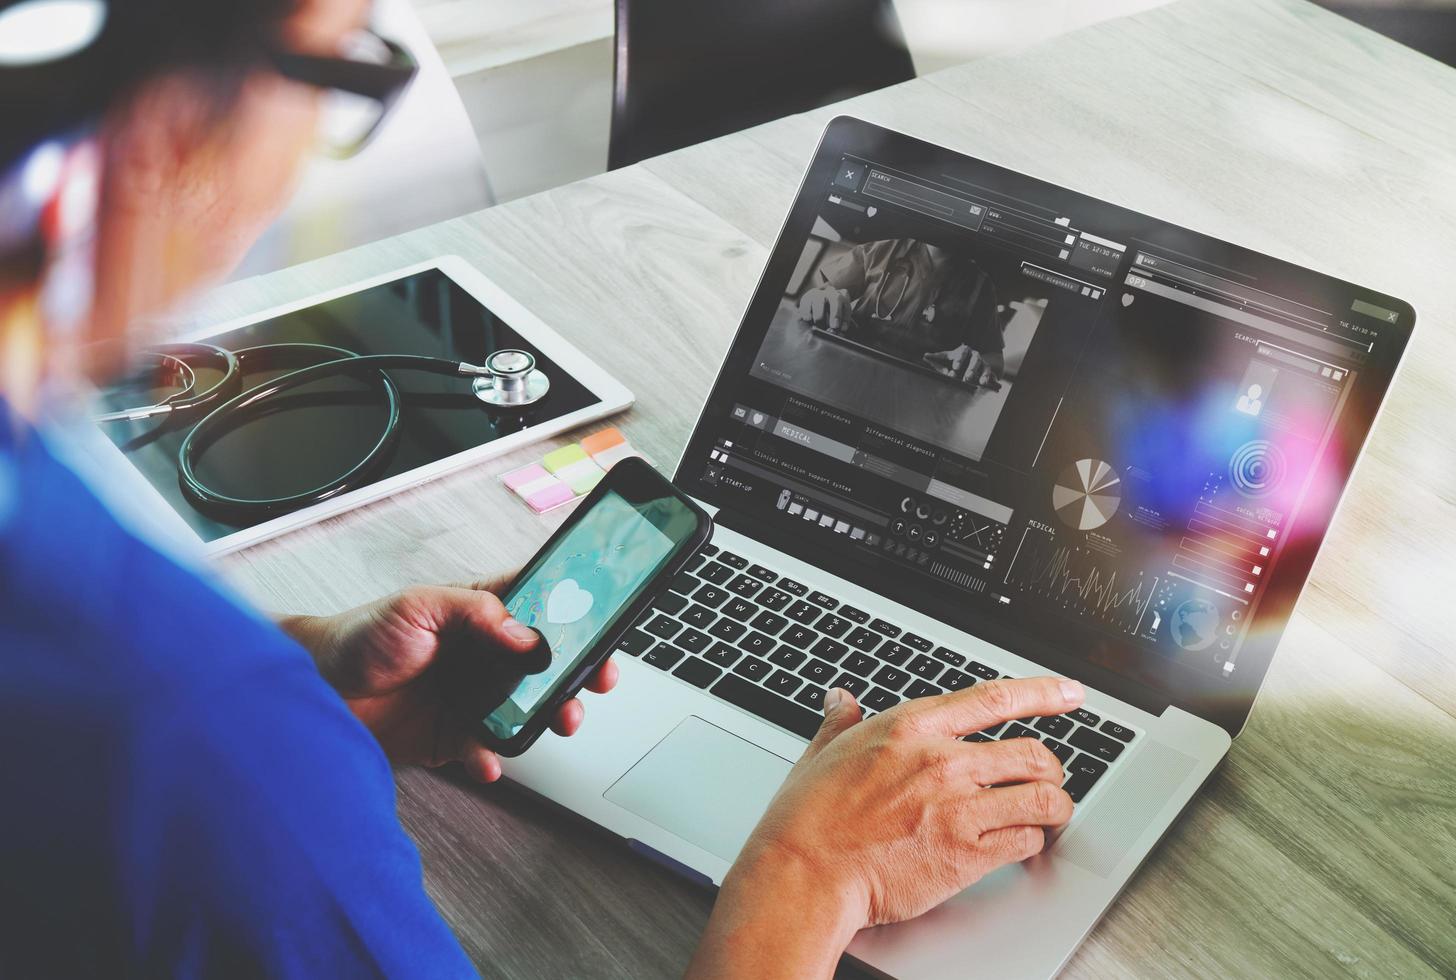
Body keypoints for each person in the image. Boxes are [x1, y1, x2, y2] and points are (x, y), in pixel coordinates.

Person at [0, 2, 1079, 976]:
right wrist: (807, 874)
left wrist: (316, 675)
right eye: (350, 72)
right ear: (165, 135)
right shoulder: (212, 747)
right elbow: (165, 736)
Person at [798, 236, 1006, 387]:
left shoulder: (981, 286)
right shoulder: (882, 250)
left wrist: (979, 363)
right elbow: (823, 293)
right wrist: (818, 298)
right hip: (845, 369)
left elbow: (995, 358)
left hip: (923, 391)